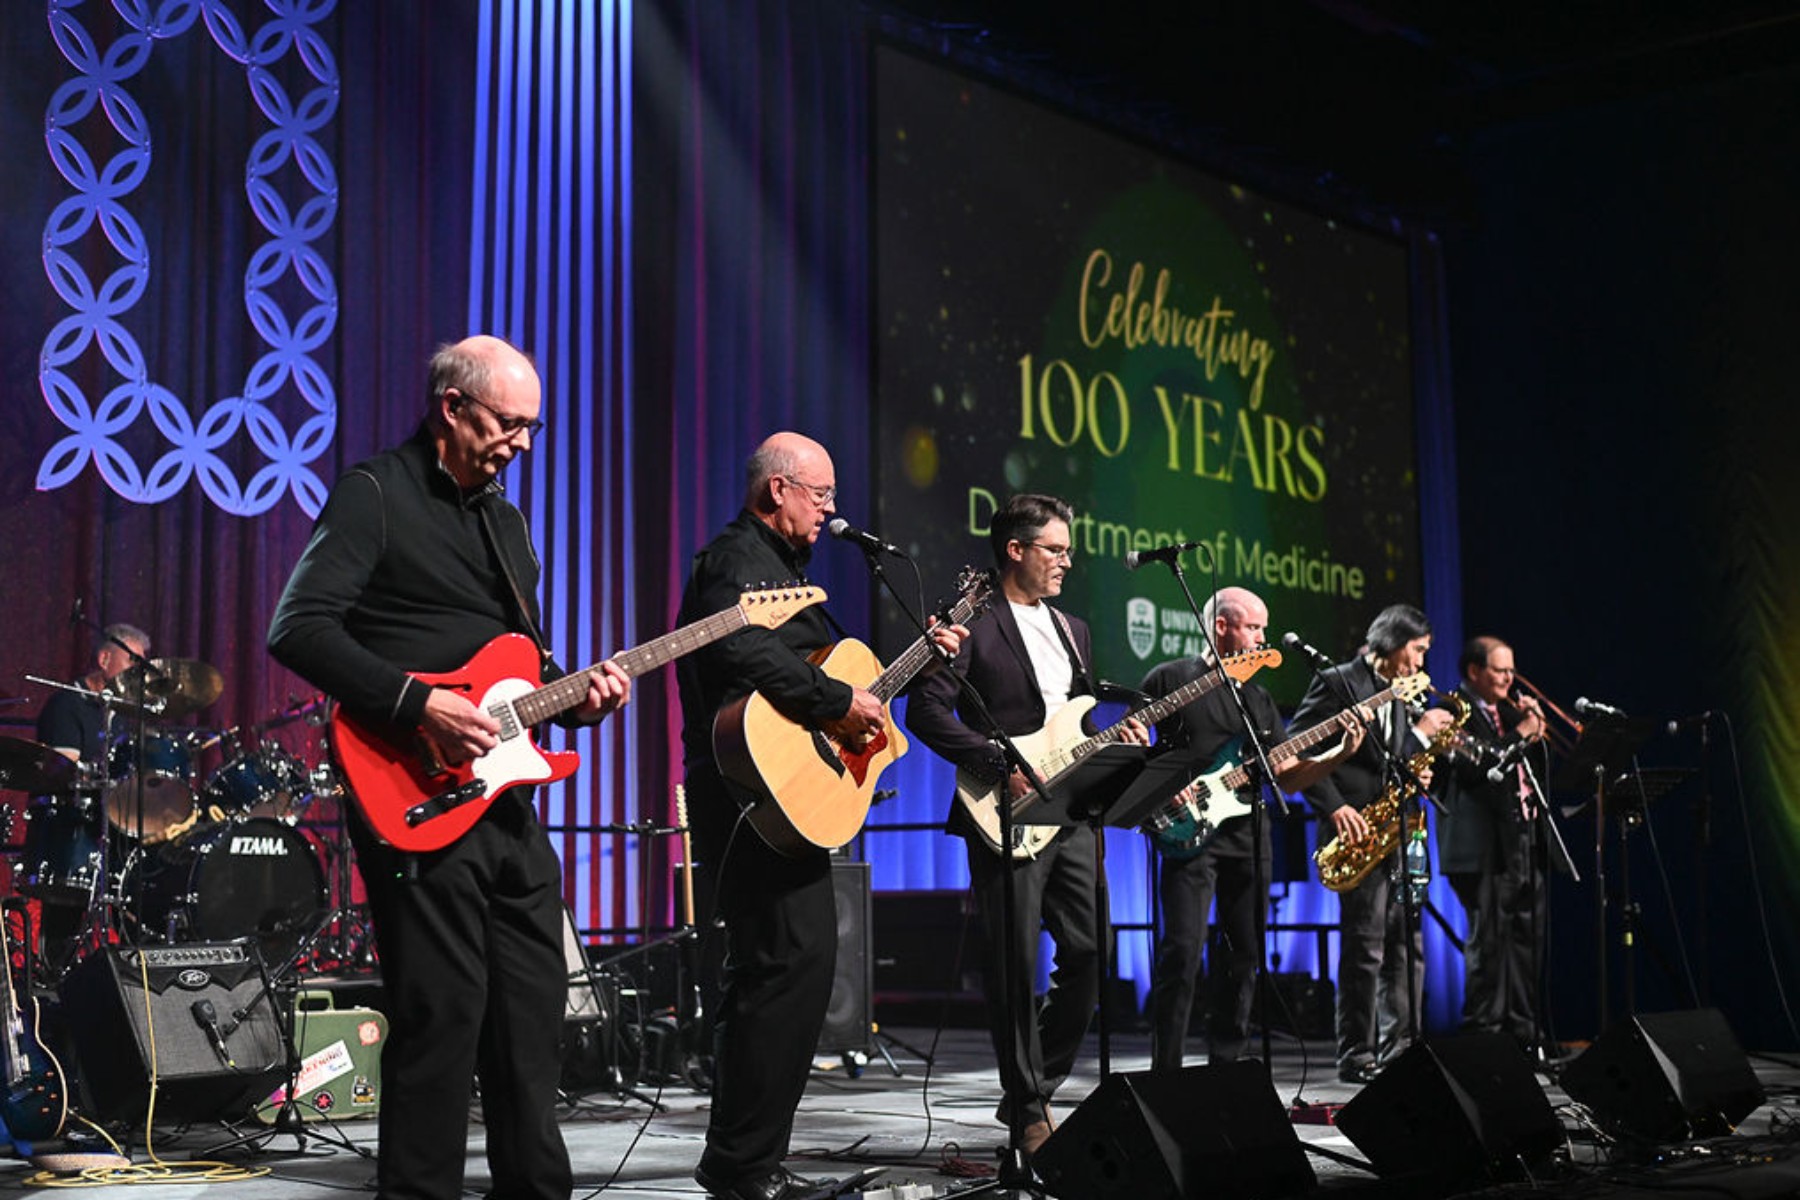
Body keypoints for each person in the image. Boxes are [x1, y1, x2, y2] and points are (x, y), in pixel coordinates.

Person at [268, 335, 630, 1200]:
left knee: (533, 1013)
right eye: (509, 423)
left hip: (502, 798)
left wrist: (578, 697)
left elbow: (517, 671)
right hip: (412, 790)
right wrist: (417, 705)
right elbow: (299, 628)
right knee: (442, 1016)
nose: (524, 443)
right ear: (452, 408)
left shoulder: (506, 522)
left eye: (533, 427)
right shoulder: (374, 494)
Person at [676, 432, 962, 1200]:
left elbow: (823, 683)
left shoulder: (784, 574)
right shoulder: (734, 561)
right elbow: (743, 657)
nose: (831, 510)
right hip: (745, 795)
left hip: (781, 797)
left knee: (788, 973)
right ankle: (741, 1167)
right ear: (778, 489)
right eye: (822, 495)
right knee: (777, 972)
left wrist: (902, 672)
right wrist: (840, 703)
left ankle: (749, 1160)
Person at [906, 493, 1142, 1157]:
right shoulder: (972, 623)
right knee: (1014, 964)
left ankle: (1031, 1085)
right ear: (1016, 550)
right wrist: (994, 760)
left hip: (1070, 811)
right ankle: (1032, 1106)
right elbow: (926, 713)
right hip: (1002, 811)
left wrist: (1116, 739)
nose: (1067, 561)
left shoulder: (1075, 629)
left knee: (1093, 952)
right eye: (1055, 549)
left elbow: (1074, 722)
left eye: (1067, 550)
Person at [1140, 587, 1360, 1070]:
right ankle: (1166, 1069)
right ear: (1222, 626)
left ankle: (1226, 1063)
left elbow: (1286, 773)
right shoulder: (1172, 678)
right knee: (1182, 951)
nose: (1263, 637)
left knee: (1245, 956)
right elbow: (1138, 745)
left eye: (1263, 628)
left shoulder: (1258, 698)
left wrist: (1336, 754)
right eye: (1254, 627)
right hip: (1187, 835)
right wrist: (1162, 786)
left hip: (1248, 835)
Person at [1288, 603, 1452, 1084]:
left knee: (1408, 944)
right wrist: (1335, 807)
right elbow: (1297, 748)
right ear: (1395, 642)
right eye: (1417, 651)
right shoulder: (1338, 682)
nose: (1420, 663)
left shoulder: (1399, 691)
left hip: (1397, 830)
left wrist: (1416, 761)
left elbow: (1390, 754)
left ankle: (1401, 1048)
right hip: (1355, 831)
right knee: (1366, 947)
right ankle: (1356, 1053)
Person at [1435, 636, 1549, 1045]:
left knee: (1525, 938)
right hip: (1478, 847)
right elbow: (1476, 769)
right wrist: (1520, 734)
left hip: (1521, 837)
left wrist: (1532, 734)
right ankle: (1483, 1035)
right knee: (1488, 941)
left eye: (1511, 670)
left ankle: (1523, 1031)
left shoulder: (1507, 711)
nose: (1509, 679)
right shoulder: (1449, 711)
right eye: (1501, 671)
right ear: (1474, 671)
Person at [36, 623, 152, 768]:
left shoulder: (122, 709)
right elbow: (64, 773)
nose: (139, 672)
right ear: (104, 660)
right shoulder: (66, 704)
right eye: (132, 662)